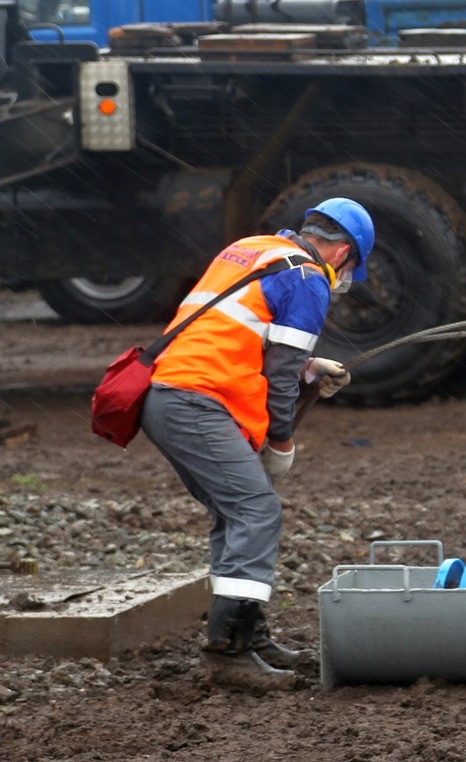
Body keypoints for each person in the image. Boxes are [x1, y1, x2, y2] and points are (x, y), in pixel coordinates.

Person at [140, 198, 374, 689]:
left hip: (168, 395)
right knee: (256, 511)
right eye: (350, 267)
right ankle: (228, 655)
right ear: (342, 254)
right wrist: (282, 443)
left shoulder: (251, 250)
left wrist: (314, 367)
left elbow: (239, 335)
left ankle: (252, 637)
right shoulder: (311, 277)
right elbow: (282, 373)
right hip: (197, 402)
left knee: (235, 512)